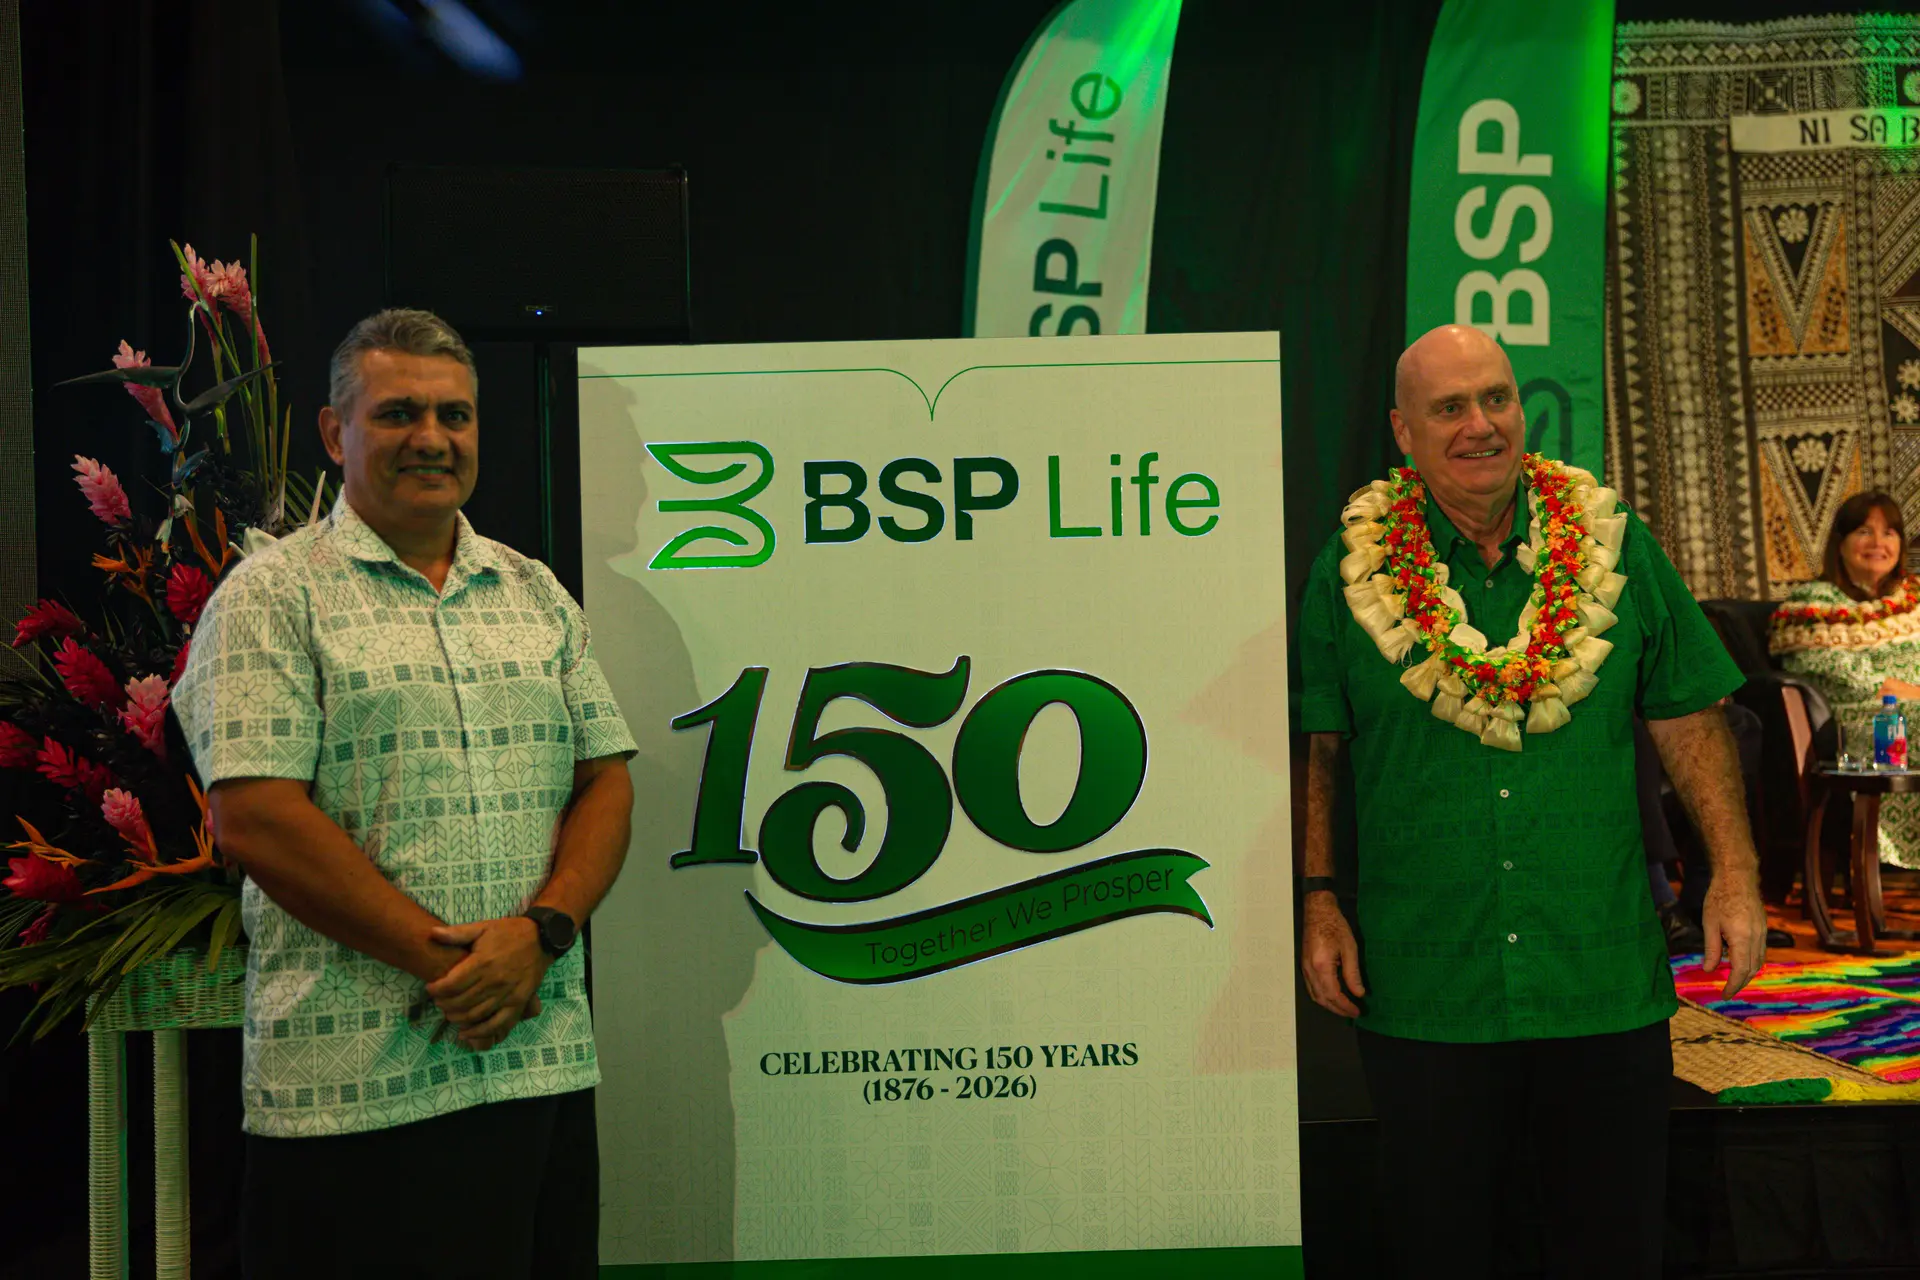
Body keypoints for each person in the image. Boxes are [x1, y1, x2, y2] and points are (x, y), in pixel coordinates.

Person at [174, 309, 637, 1279]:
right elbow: (255, 814)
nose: (433, 437)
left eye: (454, 414)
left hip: (532, 1061)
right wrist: (458, 963)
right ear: (335, 432)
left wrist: (540, 933)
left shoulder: (535, 590)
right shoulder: (271, 595)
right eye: (398, 413)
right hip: (351, 1092)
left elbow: (605, 777)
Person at [1297, 324, 1767, 1278]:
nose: (1482, 424)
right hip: (1429, 982)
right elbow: (1319, 743)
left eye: (1498, 399)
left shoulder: (1615, 545)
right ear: (1404, 430)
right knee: (1443, 1251)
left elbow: (1689, 716)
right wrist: (1316, 896)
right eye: (1451, 407)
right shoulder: (1346, 573)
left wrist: (1737, 877)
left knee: (1611, 1248)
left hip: (1595, 973)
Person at [1771, 491, 1920, 868]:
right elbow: (1855, 681)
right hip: (1866, 724)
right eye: (1864, 532)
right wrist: (1908, 693)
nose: (1878, 543)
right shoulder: (1811, 605)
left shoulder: (1914, 597)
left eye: (1889, 533)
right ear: (1841, 542)